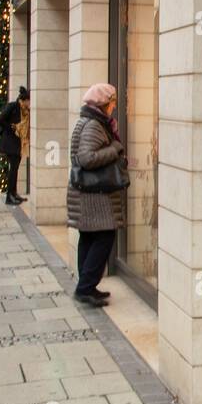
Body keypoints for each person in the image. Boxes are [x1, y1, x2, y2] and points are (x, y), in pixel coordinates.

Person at [66, 83, 125, 307]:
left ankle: (87, 286)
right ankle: (85, 288)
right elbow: (87, 158)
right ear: (103, 104)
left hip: (88, 192)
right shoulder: (94, 125)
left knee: (90, 237)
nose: (114, 106)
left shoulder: (91, 122)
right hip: (93, 194)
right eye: (112, 102)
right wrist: (115, 149)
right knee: (103, 236)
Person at [0, 87, 29, 205]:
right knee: (13, 169)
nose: (29, 104)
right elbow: (0, 119)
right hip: (10, 142)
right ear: (24, 100)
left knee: (15, 168)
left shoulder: (25, 110)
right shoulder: (13, 107)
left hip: (19, 142)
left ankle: (14, 193)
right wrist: (12, 127)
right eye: (28, 101)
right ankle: (9, 196)